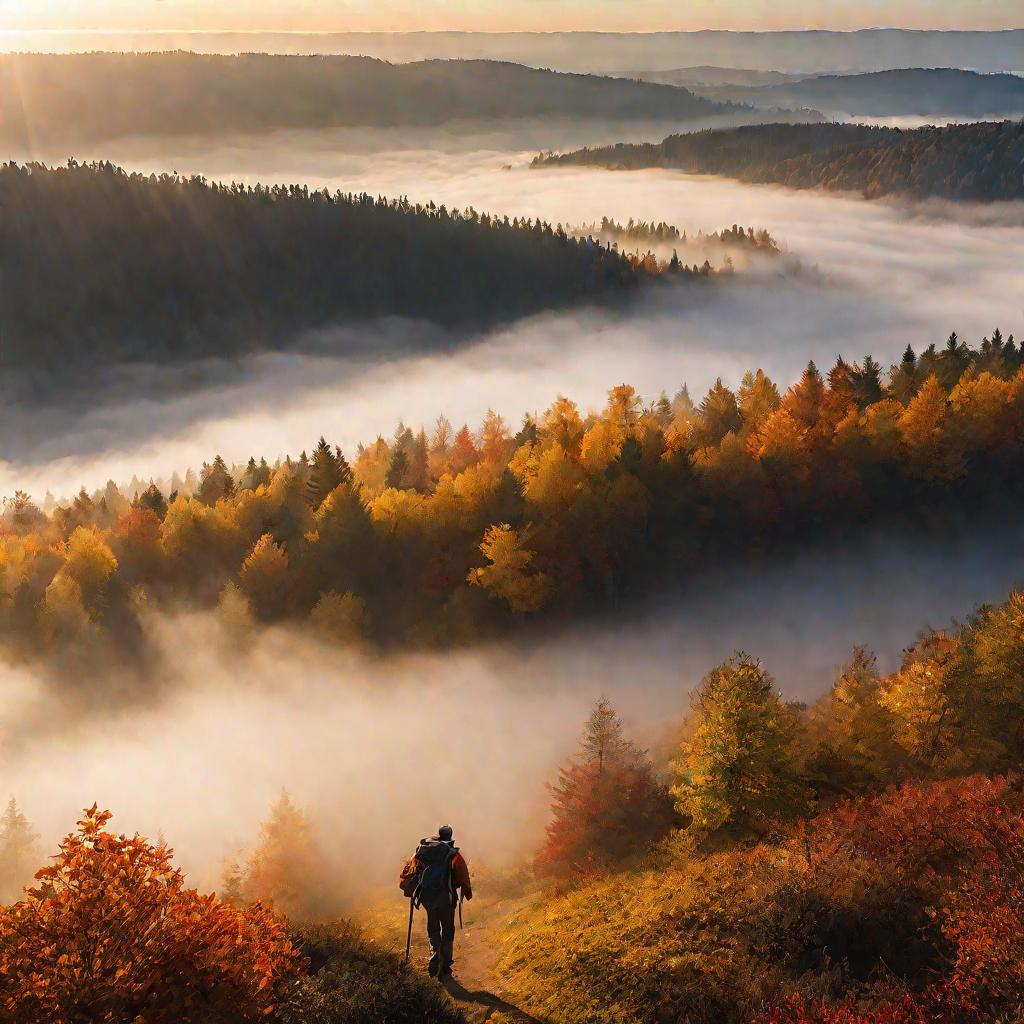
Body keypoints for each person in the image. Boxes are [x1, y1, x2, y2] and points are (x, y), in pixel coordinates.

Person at [399, 824, 473, 979]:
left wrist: (410, 889)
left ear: (439, 835)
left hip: (427, 898)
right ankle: (445, 966)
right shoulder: (454, 855)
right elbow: (463, 877)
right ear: (451, 836)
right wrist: (467, 893)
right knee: (447, 930)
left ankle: (434, 956)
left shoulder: (423, 851)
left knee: (433, 928)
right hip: (446, 898)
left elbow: (409, 870)